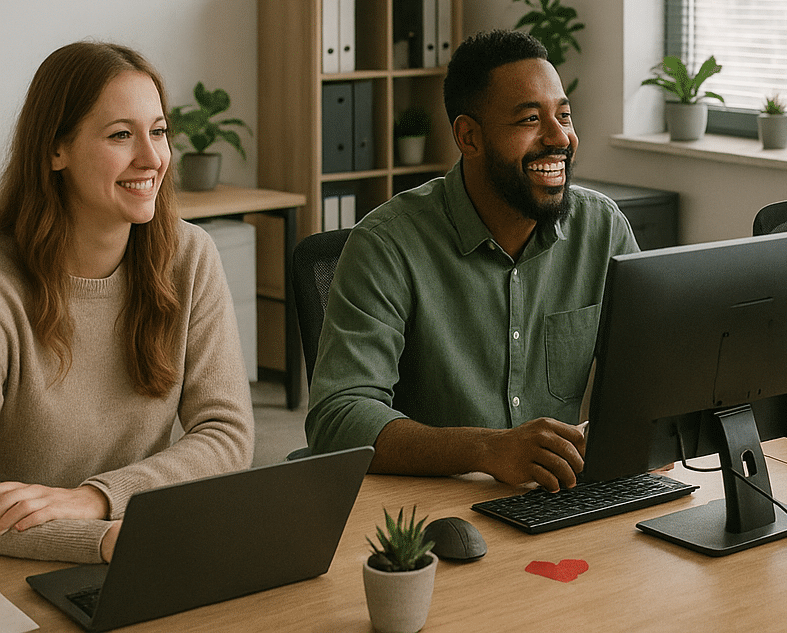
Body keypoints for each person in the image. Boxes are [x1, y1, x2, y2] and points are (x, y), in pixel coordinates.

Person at [305, 30, 637, 492]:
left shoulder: (601, 230)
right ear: (469, 137)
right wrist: (488, 449)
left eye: (564, 115)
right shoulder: (385, 246)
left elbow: (650, 373)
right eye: (529, 120)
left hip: (557, 500)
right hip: (432, 515)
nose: (560, 137)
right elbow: (337, 420)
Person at [0, 42, 254, 563]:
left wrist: (98, 499)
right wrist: (100, 539)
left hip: (144, 547)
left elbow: (227, 436)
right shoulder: (6, 289)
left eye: (158, 131)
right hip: (25, 570)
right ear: (55, 150)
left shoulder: (189, 256)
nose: (153, 158)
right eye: (121, 135)